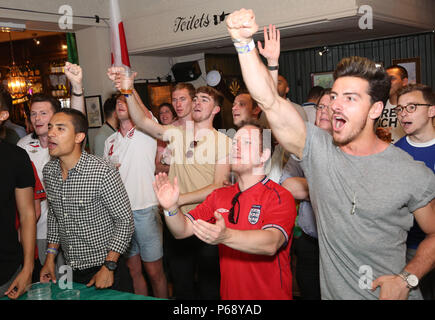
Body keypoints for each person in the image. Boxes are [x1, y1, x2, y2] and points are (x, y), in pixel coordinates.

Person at [226, 8, 435, 300]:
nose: (336, 105)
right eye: (334, 96)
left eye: (350, 98)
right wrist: (243, 43)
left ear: (376, 109)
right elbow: (269, 101)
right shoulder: (318, 152)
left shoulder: (410, 172)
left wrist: (407, 278)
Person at [108, 66, 232, 299]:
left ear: (215, 109)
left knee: (209, 288)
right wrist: (128, 89)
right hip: (176, 221)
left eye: (204, 100)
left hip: (206, 223)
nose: (196, 103)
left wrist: (178, 199)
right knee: (182, 285)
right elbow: (144, 123)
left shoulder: (223, 141)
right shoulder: (178, 134)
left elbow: (218, 186)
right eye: (195, 99)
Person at [153, 122, 297, 299]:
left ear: (263, 155)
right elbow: (181, 230)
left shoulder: (279, 196)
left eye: (246, 143)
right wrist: (171, 208)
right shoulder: (220, 195)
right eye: (235, 143)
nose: (236, 147)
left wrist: (225, 236)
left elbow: (271, 243)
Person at [40, 108, 134, 291]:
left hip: (107, 268)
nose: (50, 133)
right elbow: (55, 217)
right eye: (50, 127)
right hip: (71, 270)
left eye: (60, 129)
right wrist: (50, 258)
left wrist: (109, 266)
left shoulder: (102, 171)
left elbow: (125, 221)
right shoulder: (49, 172)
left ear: (78, 137)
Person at [17, 62, 85, 273]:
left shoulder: (66, 144)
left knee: (75, 282)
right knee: (47, 281)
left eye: (43, 114)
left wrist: (77, 87)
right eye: (33, 114)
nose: (37, 118)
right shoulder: (23, 147)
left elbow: (77, 118)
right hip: (38, 230)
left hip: (73, 227)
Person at [103, 94, 168, 298]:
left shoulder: (146, 131)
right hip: (120, 215)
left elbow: (145, 113)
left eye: (126, 101)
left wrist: (128, 88)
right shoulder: (110, 141)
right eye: (119, 102)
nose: (121, 105)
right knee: (133, 271)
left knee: (154, 272)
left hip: (145, 209)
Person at [280, 88, 332, 300]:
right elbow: (287, 184)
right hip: (309, 238)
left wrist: (309, 189)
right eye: (320, 107)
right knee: (309, 289)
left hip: (338, 241)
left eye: (329, 108)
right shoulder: (305, 145)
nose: (323, 112)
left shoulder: (349, 146)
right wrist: (324, 189)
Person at [394, 84, 435, 300]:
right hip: (410, 249)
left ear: (431, 110)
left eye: (411, 107)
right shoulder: (395, 154)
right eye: (400, 109)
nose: (403, 114)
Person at [0, 96, 36, 300]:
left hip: (7, 271)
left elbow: (28, 214)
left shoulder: (16, 157)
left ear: (2, 115)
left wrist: (28, 269)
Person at [377, 65, 408, 143]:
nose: (387, 82)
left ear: (404, 82)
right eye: (386, 79)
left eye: (392, 79)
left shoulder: (411, 108)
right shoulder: (378, 106)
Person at [155, 102, 177, 175]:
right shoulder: (160, 138)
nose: (164, 115)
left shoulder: (182, 131)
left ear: (173, 114)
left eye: (167, 111)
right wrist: (175, 168)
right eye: (161, 113)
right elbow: (157, 167)